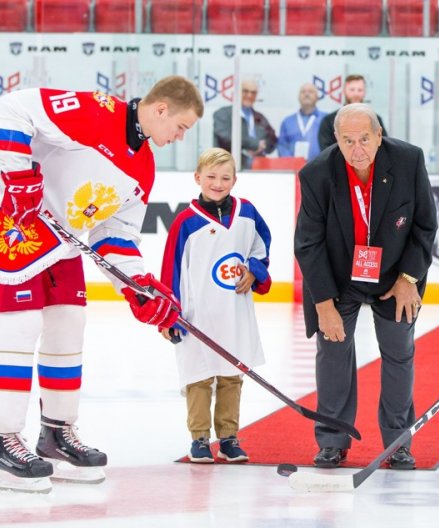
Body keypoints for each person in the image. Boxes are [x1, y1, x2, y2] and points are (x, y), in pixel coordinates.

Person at [0, 76, 204, 493]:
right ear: (161, 109)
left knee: (69, 325)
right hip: (16, 224)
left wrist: (139, 286)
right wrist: (19, 179)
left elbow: (115, 236)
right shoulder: (95, 110)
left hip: (62, 245)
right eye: (180, 126)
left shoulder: (144, 167)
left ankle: (56, 433)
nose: (180, 136)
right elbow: (12, 109)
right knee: (19, 329)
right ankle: (3, 435)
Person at [294, 103, 437, 470]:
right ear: (336, 140)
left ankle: (398, 442)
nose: (356, 149)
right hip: (339, 277)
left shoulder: (408, 160)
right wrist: (323, 304)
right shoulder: (317, 174)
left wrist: (409, 279)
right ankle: (332, 439)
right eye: (347, 141)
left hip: (395, 276)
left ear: (378, 136)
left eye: (363, 139)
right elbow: (308, 243)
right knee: (333, 352)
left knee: (398, 351)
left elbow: (424, 225)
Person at [159, 147, 271, 464]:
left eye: (225, 177)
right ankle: (199, 438)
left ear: (235, 179)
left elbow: (261, 247)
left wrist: (255, 271)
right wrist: (169, 315)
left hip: (234, 311)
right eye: (211, 177)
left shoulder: (247, 214)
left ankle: (229, 438)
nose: (218, 183)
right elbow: (172, 269)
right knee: (198, 375)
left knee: (231, 374)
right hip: (197, 314)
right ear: (198, 178)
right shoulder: (185, 222)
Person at [213, 79, 277, 170]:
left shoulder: (260, 118)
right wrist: (254, 144)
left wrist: (261, 147)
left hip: (258, 168)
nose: (249, 95)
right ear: (237, 93)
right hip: (228, 167)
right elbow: (225, 137)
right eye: (245, 91)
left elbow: (272, 139)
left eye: (253, 92)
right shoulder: (222, 114)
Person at [317, 74, 388, 151]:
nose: (356, 94)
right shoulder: (329, 121)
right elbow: (326, 152)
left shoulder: (375, 120)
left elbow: (383, 147)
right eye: (352, 90)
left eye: (360, 90)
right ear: (344, 91)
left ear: (364, 92)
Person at [277, 83, 326, 161]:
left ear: (317, 97)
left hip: (319, 168)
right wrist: (290, 163)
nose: (306, 94)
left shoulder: (326, 119)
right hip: (293, 169)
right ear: (298, 97)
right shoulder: (287, 121)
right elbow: (282, 146)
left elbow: (331, 145)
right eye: (303, 92)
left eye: (310, 92)